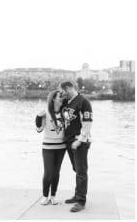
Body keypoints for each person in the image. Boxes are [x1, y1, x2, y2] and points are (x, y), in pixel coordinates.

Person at [59, 79, 93, 213]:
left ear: (69, 87)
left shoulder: (83, 101)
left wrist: (80, 140)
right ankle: (77, 194)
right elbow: (66, 121)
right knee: (76, 169)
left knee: (81, 171)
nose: (62, 94)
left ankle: (81, 201)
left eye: (62, 91)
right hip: (69, 141)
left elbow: (88, 122)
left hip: (79, 141)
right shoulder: (68, 102)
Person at [36, 90, 66, 205]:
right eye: (60, 96)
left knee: (56, 172)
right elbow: (38, 129)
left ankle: (53, 196)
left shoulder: (65, 113)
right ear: (54, 99)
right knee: (48, 173)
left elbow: (68, 128)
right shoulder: (46, 112)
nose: (62, 98)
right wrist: (38, 117)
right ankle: (45, 196)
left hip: (61, 147)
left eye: (63, 97)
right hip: (48, 147)